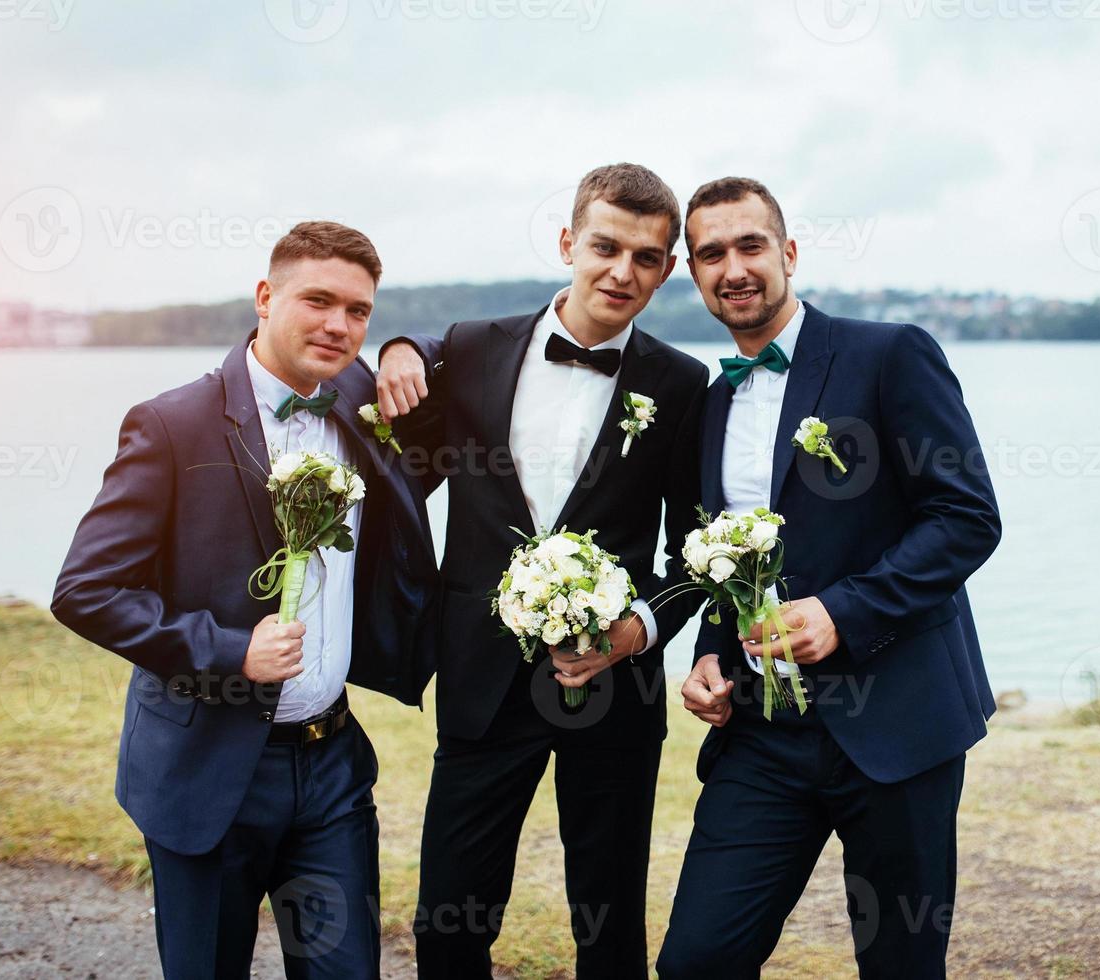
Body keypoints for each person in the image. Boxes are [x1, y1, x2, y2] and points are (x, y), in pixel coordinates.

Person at [52, 221, 439, 979]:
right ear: (265, 297)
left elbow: (478, 354)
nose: (338, 325)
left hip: (332, 769)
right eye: (318, 301)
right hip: (207, 768)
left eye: (359, 312)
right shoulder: (170, 424)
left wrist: (410, 347)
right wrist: (231, 651)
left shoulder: (363, 397)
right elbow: (85, 591)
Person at [656, 178, 1002, 979]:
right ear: (693, 273)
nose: (733, 267)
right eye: (711, 253)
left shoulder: (889, 353)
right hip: (761, 737)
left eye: (749, 245)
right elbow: (720, 564)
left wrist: (842, 612)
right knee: (694, 962)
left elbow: (964, 517)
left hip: (897, 723)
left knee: (901, 966)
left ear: (788, 252)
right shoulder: (708, 406)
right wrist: (709, 653)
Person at [376, 163, 709, 979]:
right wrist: (394, 345)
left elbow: (696, 550)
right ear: (568, 242)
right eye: (604, 247)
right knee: (448, 923)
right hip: (482, 681)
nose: (620, 272)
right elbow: (394, 464)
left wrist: (637, 633)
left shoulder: (680, 383)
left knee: (609, 927)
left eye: (645, 257)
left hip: (614, 690)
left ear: (666, 270)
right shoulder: (468, 349)